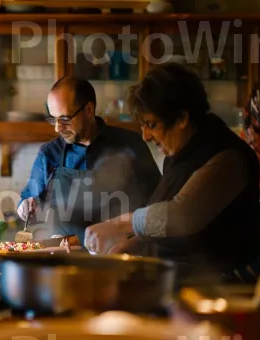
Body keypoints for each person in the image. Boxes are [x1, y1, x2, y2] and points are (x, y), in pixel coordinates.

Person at [83, 63, 260, 283]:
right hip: (197, 281)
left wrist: (117, 225)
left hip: (238, 287)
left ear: (182, 118)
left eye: (151, 124)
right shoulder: (178, 155)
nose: (145, 136)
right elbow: (166, 225)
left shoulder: (227, 157)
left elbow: (181, 216)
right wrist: (136, 244)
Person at [17, 77, 161, 245]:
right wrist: (26, 208)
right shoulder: (49, 154)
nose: (57, 128)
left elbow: (157, 203)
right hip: (66, 261)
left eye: (64, 119)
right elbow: (29, 200)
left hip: (121, 258)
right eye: (53, 119)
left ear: (89, 110)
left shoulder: (131, 145)